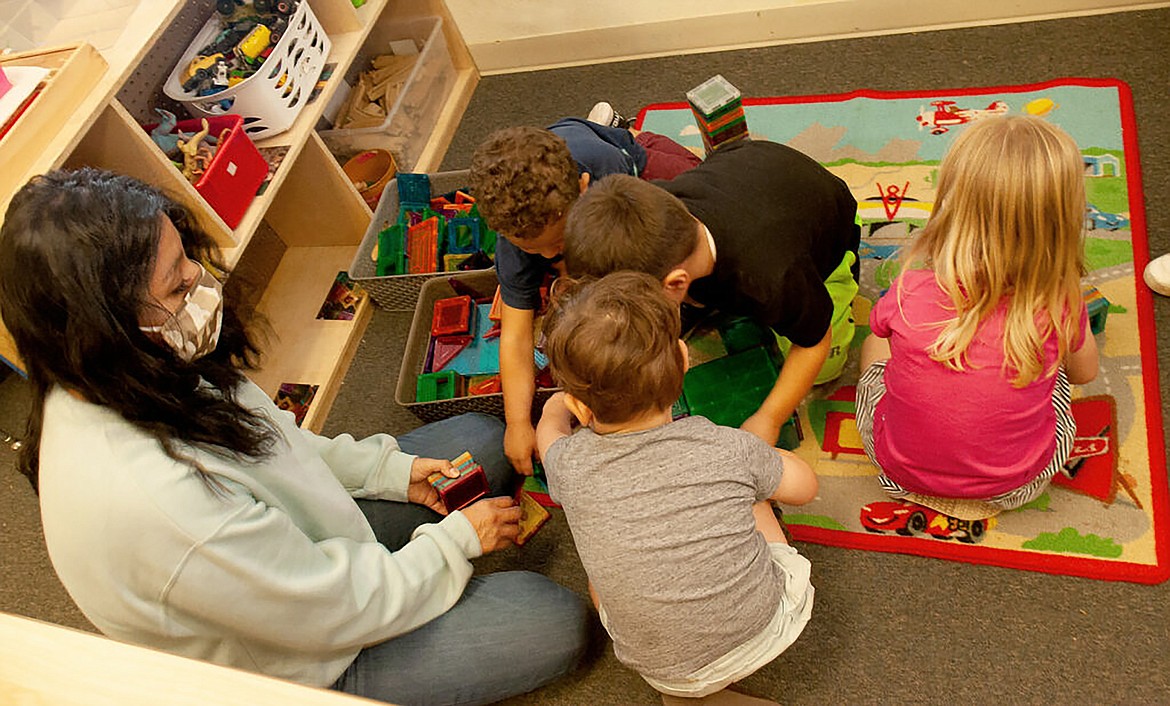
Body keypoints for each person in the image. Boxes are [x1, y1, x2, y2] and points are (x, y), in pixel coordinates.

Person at [0, 168, 588, 706]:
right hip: (301, 661)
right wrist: (453, 542)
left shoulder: (123, 368)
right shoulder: (157, 503)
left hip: (292, 560)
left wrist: (391, 474)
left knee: (479, 439)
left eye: (188, 264)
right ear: (105, 328)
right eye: (177, 288)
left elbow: (271, 442)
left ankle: (397, 542)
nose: (202, 287)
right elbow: (327, 609)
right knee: (555, 620)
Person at [535, 272, 818, 706]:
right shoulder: (727, 448)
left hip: (658, 666)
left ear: (579, 403)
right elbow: (804, 488)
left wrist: (559, 404)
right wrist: (761, 462)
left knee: (604, 569)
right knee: (756, 490)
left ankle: (683, 691)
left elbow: (547, 435)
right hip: (767, 629)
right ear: (683, 360)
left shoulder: (567, 464)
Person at [855, 115, 1100, 517]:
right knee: (1053, 379)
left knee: (876, 343)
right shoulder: (1060, 303)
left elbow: (882, 337)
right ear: (1062, 224)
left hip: (897, 472)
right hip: (1018, 485)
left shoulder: (910, 289)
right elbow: (1084, 373)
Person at [562, 138, 860, 447]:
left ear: (676, 282)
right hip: (748, 166)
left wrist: (769, 418)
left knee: (824, 368)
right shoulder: (654, 212)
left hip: (829, 224)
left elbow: (814, 343)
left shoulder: (771, 277)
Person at [469, 105, 702, 474]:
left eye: (557, 243)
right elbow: (515, 335)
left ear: (583, 187)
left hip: (630, 160)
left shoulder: (611, 176)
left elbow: (640, 275)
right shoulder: (515, 240)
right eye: (533, 250)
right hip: (575, 157)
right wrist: (517, 423)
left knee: (694, 190)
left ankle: (626, 131)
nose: (548, 255)